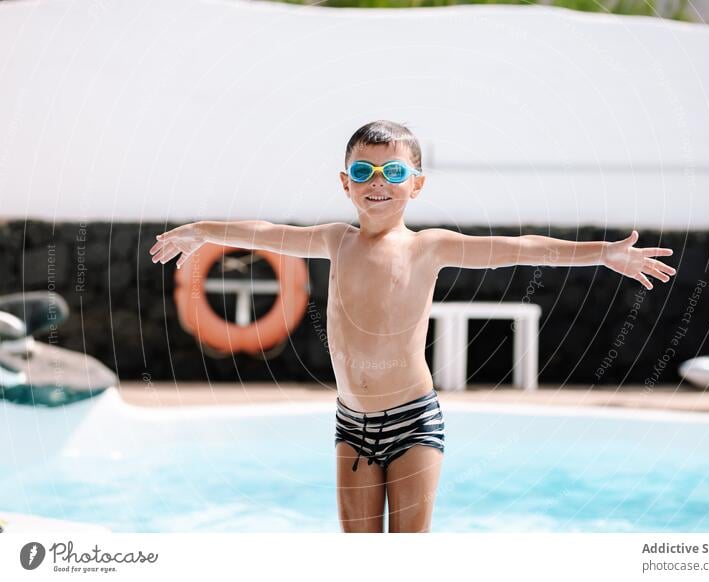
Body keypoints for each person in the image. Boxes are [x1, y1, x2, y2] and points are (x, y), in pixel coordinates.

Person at [149, 119, 676, 533]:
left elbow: (519, 249)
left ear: (416, 184)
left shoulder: (430, 247)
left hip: (413, 421)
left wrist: (602, 254)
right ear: (345, 183)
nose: (378, 183)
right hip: (351, 425)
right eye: (363, 173)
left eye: (394, 173)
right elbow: (266, 232)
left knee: (407, 559)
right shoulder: (336, 241)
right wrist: (200, 230)